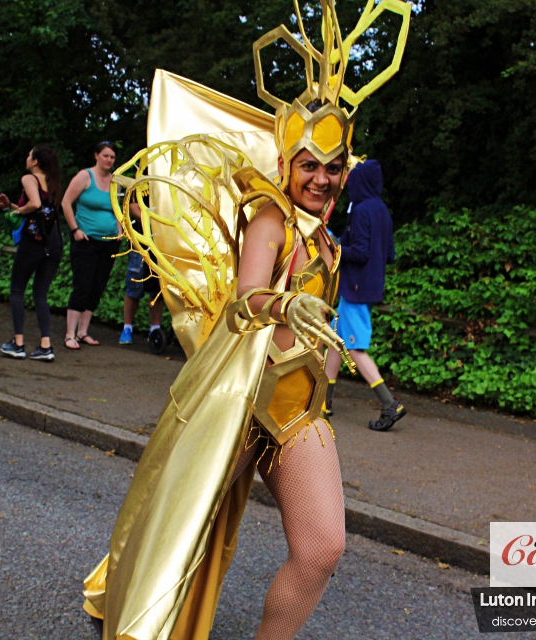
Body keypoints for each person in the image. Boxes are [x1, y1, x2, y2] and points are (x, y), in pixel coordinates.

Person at [81, 2, 410, 638]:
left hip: (295, 413)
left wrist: (331, 366)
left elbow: (323, 332)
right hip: (238, 406)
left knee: (323, 547)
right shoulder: (271, 221)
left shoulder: (331, 244)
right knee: (179, 520)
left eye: (333, 167)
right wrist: (288, 303)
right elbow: (246, 298)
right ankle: (114, 596)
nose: (321, 179)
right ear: (286, 167)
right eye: (309, 165)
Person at [323, 159, 407, 431]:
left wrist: (335, 247)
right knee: (336, 340)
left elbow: (358, 252)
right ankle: (323, 402)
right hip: (369, 288)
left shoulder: (360, 211)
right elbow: (390, 255)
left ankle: (389, 404)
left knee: (354, 347)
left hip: (355, 289)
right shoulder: (382, 210)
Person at [0, 145, 64, 362]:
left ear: (35, 161)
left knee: (17, 289)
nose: (26, 158)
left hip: (34, 241)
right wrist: (12, 205)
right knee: (40, 293)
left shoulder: (29, 179)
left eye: (28, 155)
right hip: (53, 242)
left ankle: (18, 344)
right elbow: (41, 208)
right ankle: (45, 346)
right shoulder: (53, 183)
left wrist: (15, 211)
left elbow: (34, 204)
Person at [60, 141, 122, 350]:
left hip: (109, 242)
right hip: (86, 240)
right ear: (96, 155)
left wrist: (120, 233)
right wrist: (75, 229)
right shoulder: (85, 176)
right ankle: (70, 334)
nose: (109, 160)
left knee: (97, 286)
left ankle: (83, 332)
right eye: (105, 155)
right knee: (83, 284)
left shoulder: (116, 181)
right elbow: (66, 202)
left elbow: (118, 208)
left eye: (112, 157)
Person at [119, 217, 166, 352]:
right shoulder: (136, 194)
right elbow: (133, 207)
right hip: (139, 244)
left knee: (156, 289)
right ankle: (127, 328)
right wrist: (157, 220)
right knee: (134, 287)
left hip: (159, 246)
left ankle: (155, 329)